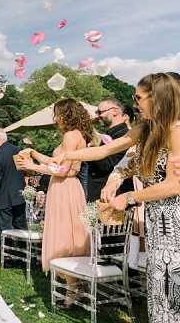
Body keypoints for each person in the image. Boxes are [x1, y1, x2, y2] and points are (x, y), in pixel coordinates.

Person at [56, 73, 180, 321]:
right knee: (160, 292)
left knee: (169, 292)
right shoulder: (147, 127)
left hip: (174, 225)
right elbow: (107, 149)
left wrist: (129, 197)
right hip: (158, 225)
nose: (135, 104)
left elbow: (175, 185)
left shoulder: (176, 131)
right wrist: (70, 156)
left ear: (158, 98)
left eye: (139, 98)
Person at [17, 98, 91, 306]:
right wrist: (33, 154)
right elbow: (55, 162)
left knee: (64, 239)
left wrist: (32, 166)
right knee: (70, 236)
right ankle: (76, 285)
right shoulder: (78, 135)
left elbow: (63, 170)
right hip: (69, 188)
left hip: (64, 187)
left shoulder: (69, 136)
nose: (55, 118)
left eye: (57, 114)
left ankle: (72, 292)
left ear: (65, 114)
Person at [86, 98, 133, 202]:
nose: (98, 116)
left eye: (100, 112)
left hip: (111, 196)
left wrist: (92, 149)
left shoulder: (125, 136)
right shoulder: (110, 134)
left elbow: (108, 165)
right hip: (100, 194)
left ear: (115, 111)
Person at [0, 128, 27, 240]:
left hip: (4, 198)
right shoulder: (18, 150)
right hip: (20, 195)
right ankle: (23, 254)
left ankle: (7, 257)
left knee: (5, 230)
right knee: (21, 228)